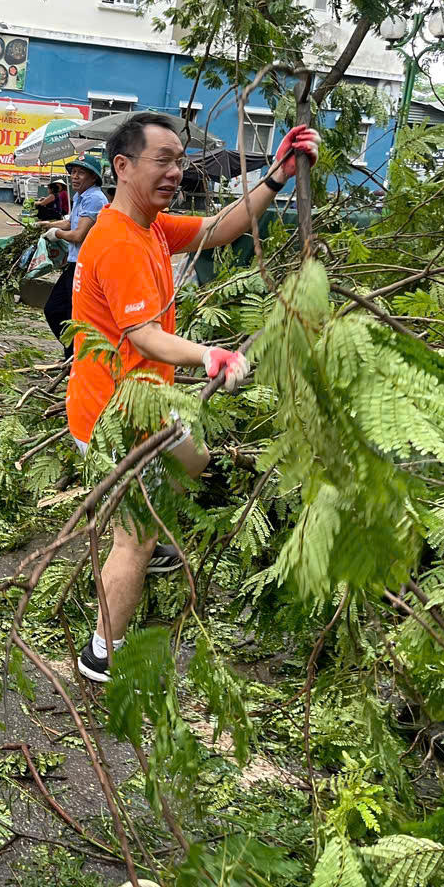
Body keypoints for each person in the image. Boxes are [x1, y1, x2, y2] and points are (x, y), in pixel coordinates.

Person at [69, 112, 319, 683]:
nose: (176, 172)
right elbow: (145, 337)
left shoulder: (149, 227)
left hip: (147, 404)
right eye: (164, 160)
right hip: (118, 417)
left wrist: (276, 174)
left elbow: (222, 227)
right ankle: (102, 654)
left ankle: (147, 538)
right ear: (123, 167)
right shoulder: (118, 243)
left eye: (178, 161)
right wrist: (210, 355)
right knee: (134, 538)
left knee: (196, 456)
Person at [37, 153, 109, 356]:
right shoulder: (81, 196)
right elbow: (70, 222)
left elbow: (77, 235)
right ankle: (75, 353)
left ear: (93, 177)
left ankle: (77, 356)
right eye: (74, 172)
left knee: (68, 312)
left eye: (81, 173)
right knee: (55, 309)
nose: (75, 177)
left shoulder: (95, 198)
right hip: (75, 264)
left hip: (85, 266)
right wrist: (47, 225)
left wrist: (56, 234)